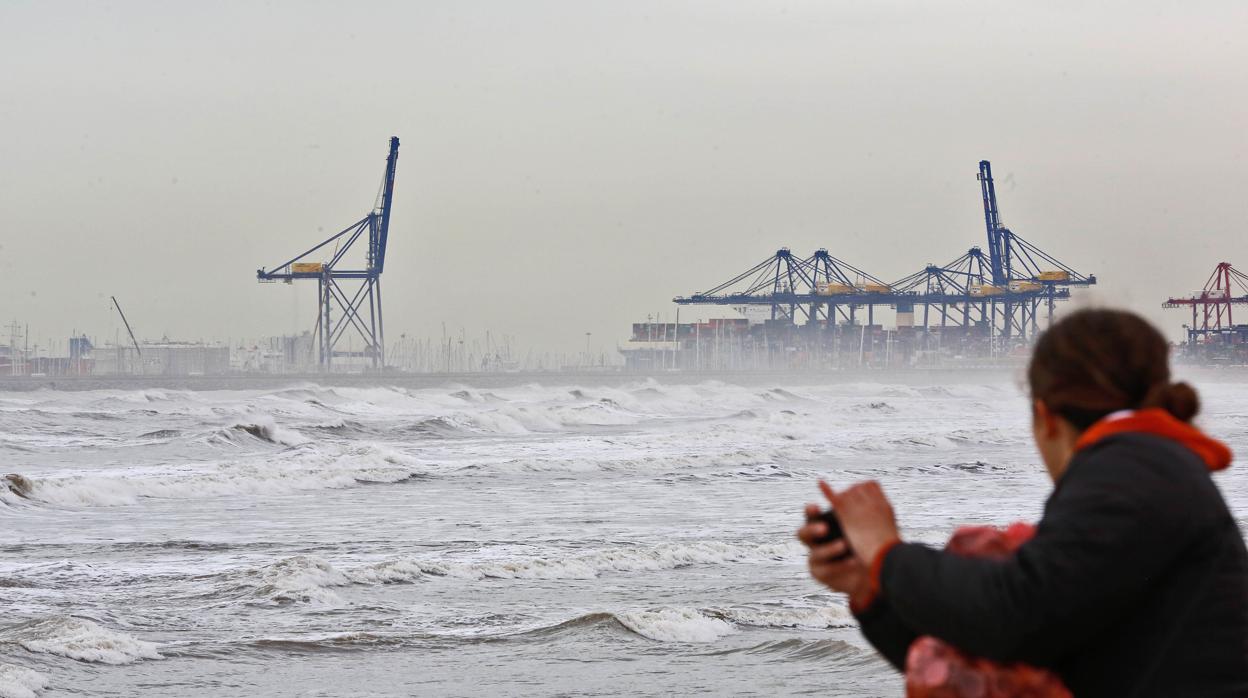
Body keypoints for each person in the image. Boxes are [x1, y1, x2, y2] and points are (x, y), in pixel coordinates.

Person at [797, 308, 1248, 696]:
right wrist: (870, 588)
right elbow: (988, 659)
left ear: (1044, 417)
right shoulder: (1152, 465)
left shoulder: (1131, 467)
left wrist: (887, 552)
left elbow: (1016, 613)